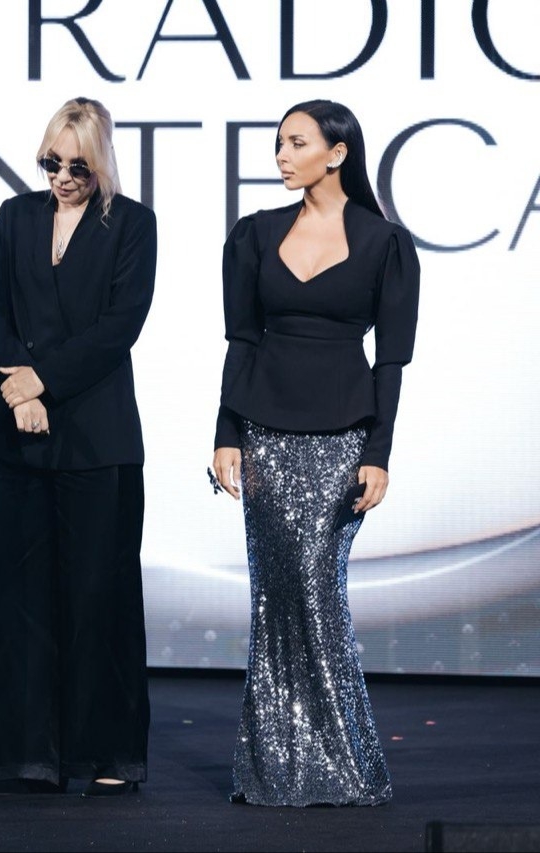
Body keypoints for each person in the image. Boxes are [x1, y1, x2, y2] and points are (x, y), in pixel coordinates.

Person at [210, 99, 419, 807]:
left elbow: (391, 361)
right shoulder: (254, 234)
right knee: (274, 595)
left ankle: (344, 761)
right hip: (264, 432)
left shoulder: (385, 242)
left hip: (342, 437)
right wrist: (226, 433)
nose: (281, 156)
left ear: (338, 153)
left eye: (296, 143)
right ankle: (273, 766)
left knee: (316, 587)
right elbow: (242, 340)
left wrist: (378, 452)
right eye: (278, 144)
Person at [0, 97, 155, 798]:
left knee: (99, 596)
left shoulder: (131, 224)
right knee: (20, 597)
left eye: (76, 166)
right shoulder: (15, 216)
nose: (61, 177)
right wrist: (18, 390)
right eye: (51, 162)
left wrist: (41, 382)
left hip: (96, 433)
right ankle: (29, 757)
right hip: (20, 430)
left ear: (100, 162)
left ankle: (109, 753)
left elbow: (119, 327)